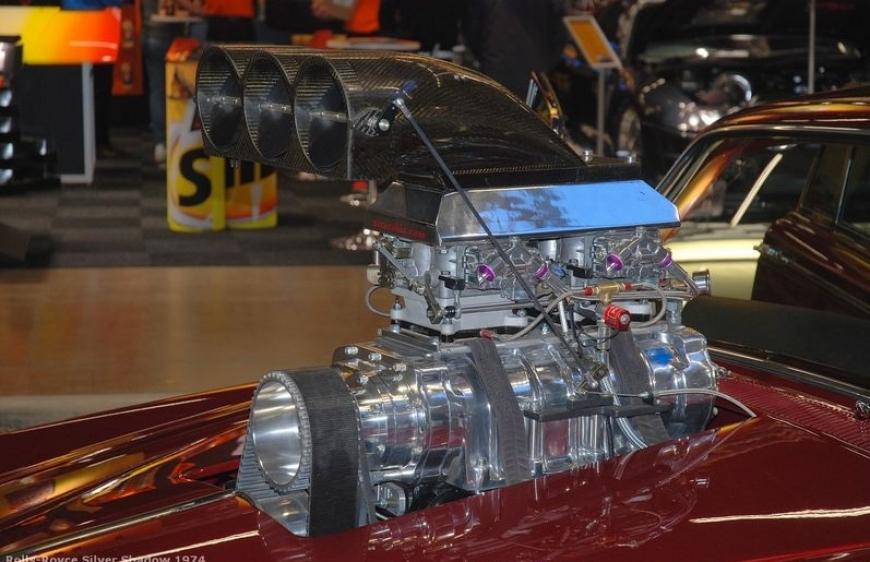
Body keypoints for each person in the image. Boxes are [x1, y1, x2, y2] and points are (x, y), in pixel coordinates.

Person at [464, 0, 567, 98]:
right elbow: (560, 35)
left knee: (496, 108)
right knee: (532, 109)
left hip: (497, 67)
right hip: (536, 73)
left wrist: (485, 58)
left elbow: (472, 30)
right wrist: (545, 65)